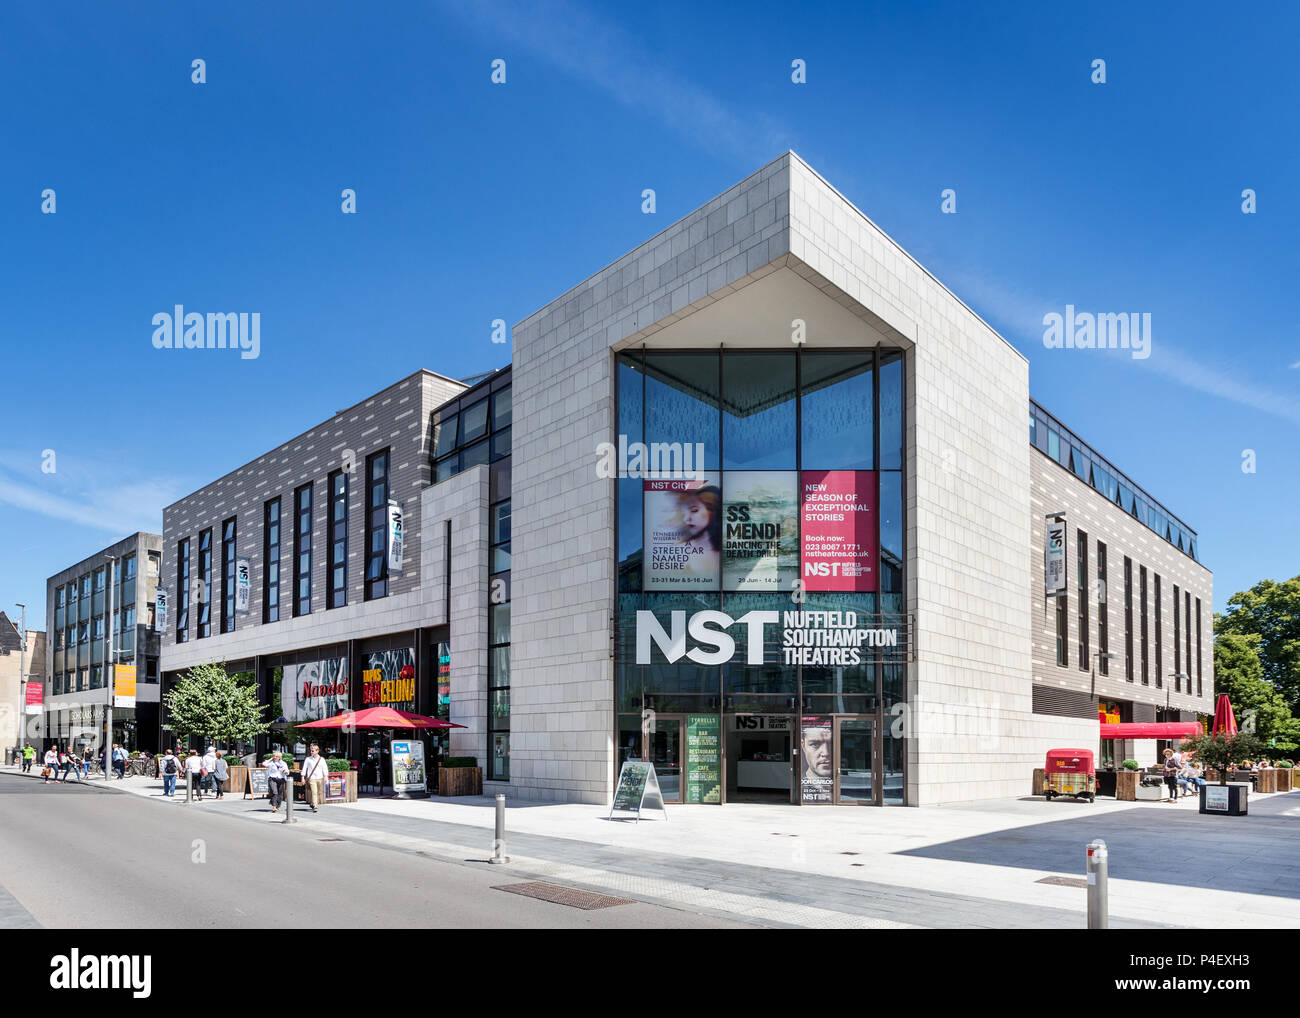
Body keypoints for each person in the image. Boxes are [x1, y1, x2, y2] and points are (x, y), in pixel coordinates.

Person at [300, 743, 329, 813]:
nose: (311, 752)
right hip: (312, 778)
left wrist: (326, 776)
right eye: (311, 750)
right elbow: (304, 768)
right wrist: (302, 777)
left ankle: (313, 803)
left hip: (320, 777)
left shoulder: (322, 759)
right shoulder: (308, 759)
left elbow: (325, 768)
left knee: (318, 792)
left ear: (317, 751)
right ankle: (315, 806)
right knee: (314, 792)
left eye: (313, 751)